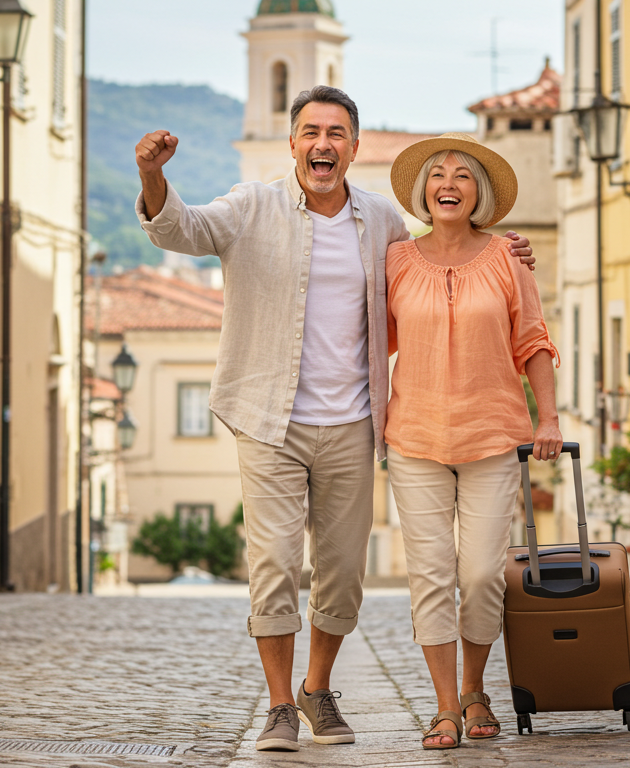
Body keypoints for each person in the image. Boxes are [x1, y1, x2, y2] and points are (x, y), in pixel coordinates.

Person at [132, 87, 534, 753]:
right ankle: (281, 707)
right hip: (268, 418)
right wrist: (153, 177)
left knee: (343, 571)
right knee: (274, 563)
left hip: (354, 422)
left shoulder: (382, 223)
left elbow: (441, 273)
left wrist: (506, 256)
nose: (324, 143)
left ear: (353, 147)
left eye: (337, 132)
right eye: (311, 131)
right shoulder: (251, 205)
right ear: (293, 143)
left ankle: (319, 689)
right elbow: (185, 230)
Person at [383, 133, 561, 749]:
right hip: (414, 437)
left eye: (462, 176)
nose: (449, 184)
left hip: (492, 436)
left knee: (483, 574)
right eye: (438, 175)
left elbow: (533, 342)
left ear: (478, 194)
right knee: (431, 575)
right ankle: (444, 708)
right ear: (422, 192)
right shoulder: (396, 261)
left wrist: (549, 420)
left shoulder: (510, 260)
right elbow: (371, 344)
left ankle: (475, 688)